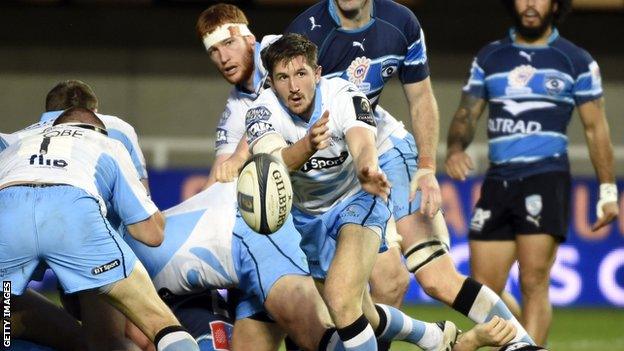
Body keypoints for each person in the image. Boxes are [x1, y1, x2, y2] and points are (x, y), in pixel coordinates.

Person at [286, 0, 536, 347]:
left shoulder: (400, 23)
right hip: (334, 170)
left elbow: (420, 97)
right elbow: (284, 109)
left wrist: (427, 168)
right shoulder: (306, 32)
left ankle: (523, 344)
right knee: (377, 287)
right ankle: (437, 339)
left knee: (436, 277)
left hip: (384, 146)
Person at [246, 33, 461, 351]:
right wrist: (306, 146)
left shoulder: (344, 94)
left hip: (357, 198)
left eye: (301, 74)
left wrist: (367, 170)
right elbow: (271, 163)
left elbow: (363, 142)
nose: (294, 86)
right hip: (309, 216)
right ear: (271, 82)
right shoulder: (260, 113)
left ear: (317, 74)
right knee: (360, 314)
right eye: (283, 77)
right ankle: (431, 336)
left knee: (340, 297)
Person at [445, 0, 618, 345]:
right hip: (498, 180)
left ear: (555, 5)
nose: (530, 4)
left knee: (533, 280)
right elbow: (467, 113)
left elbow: (596, 128)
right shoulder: (491, 57)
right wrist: (454, 149)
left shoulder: (576, 60)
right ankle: (527, 341)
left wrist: (608, 192)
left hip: (546, 177)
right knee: (483, 289)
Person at [0, 108, 200, 351]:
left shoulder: (15, 145)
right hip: (74, 214)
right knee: (159, 323)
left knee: (8, 316)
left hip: (7, 212)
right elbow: (151, 234)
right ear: (97, 129)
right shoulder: (107, 143)